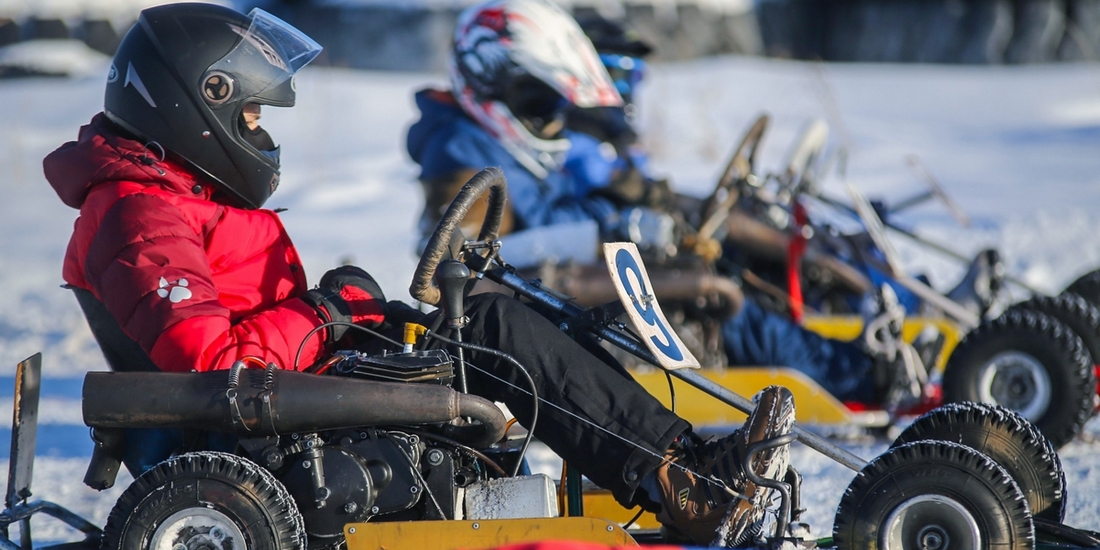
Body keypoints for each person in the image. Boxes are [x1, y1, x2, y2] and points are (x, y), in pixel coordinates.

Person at [44, 3, 795, 547]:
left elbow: (246, 327)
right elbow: (210, 362)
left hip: (290, 389)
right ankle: (685, 484)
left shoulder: (171, 196)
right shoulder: (140, 215)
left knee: (484, 317)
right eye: (250, 118)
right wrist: (326, 313)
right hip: (253, 426)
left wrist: (342, 310)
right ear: (196, 101)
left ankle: (682, 467)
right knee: (494, 330)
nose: (260, 135)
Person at [406, 0, 929, 410]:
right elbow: (463, 265)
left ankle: (858, 352)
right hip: (543, 307)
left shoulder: (502, 145)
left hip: (581, 274)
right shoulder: (459, 148)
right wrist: (613, 230)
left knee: (712, 273)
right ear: (490, 78)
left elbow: (560, 213)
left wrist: (628, 222)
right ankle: (861, 375)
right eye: (540, 103)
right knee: (714, 292)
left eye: (553, 105)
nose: (552, 120)